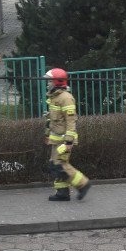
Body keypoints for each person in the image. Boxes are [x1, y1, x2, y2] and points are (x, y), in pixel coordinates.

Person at [44, 68, 91, 202]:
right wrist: (47, 134)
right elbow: (51, 119)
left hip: (64, 140)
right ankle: (62, 192)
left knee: (59, 164)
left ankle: (83, 184)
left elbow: (71, 121)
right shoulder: (55, 97)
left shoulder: (66, 98)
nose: (48, 84)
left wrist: (69, 142)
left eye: (50, 81)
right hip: (56, 139)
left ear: (57, 82)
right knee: (56, 164)